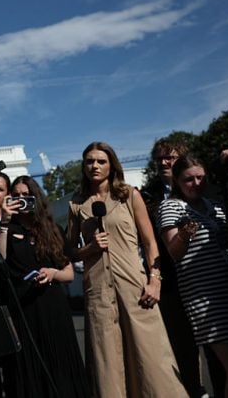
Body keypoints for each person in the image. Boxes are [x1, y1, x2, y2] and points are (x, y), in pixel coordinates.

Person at [67, 141, 187, 398]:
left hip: (135, 287)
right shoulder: (76, 204)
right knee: (107, 365)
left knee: (152, 360)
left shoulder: (129, 195)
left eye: (101, 161)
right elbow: (69, 252)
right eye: (89, 161)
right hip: (98, 293)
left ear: (112, 165)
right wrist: (89, 248)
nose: (95, 166)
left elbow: (150, 242)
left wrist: (155, 280)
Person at [158, 155, 228, 398]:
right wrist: (185, 235)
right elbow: (174, 253)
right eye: (188, 179)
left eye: (200, 178)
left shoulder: (216, 205)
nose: (196, 183)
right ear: (177, 181)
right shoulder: (171, 207)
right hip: (205, 298)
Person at [0, 176, 89, 398]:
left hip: (53, 307)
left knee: (59, 363)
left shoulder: (52, 229)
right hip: (23, 309)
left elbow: (68, 273)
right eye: (15, 195)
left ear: (35, 198)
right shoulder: (6, 228)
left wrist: (52, 273)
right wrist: (5, 221)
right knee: (30, 368)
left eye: (25, 195)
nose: (20, 200)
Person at [140, 139, 213, 398]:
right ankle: (195, 391)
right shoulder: (146, 195)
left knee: (216, 344)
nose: (163, 163)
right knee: (181, 344)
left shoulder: (203, 188)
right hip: (170, 280)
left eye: (169, 157)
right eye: (159, 158)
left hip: (205, 278)